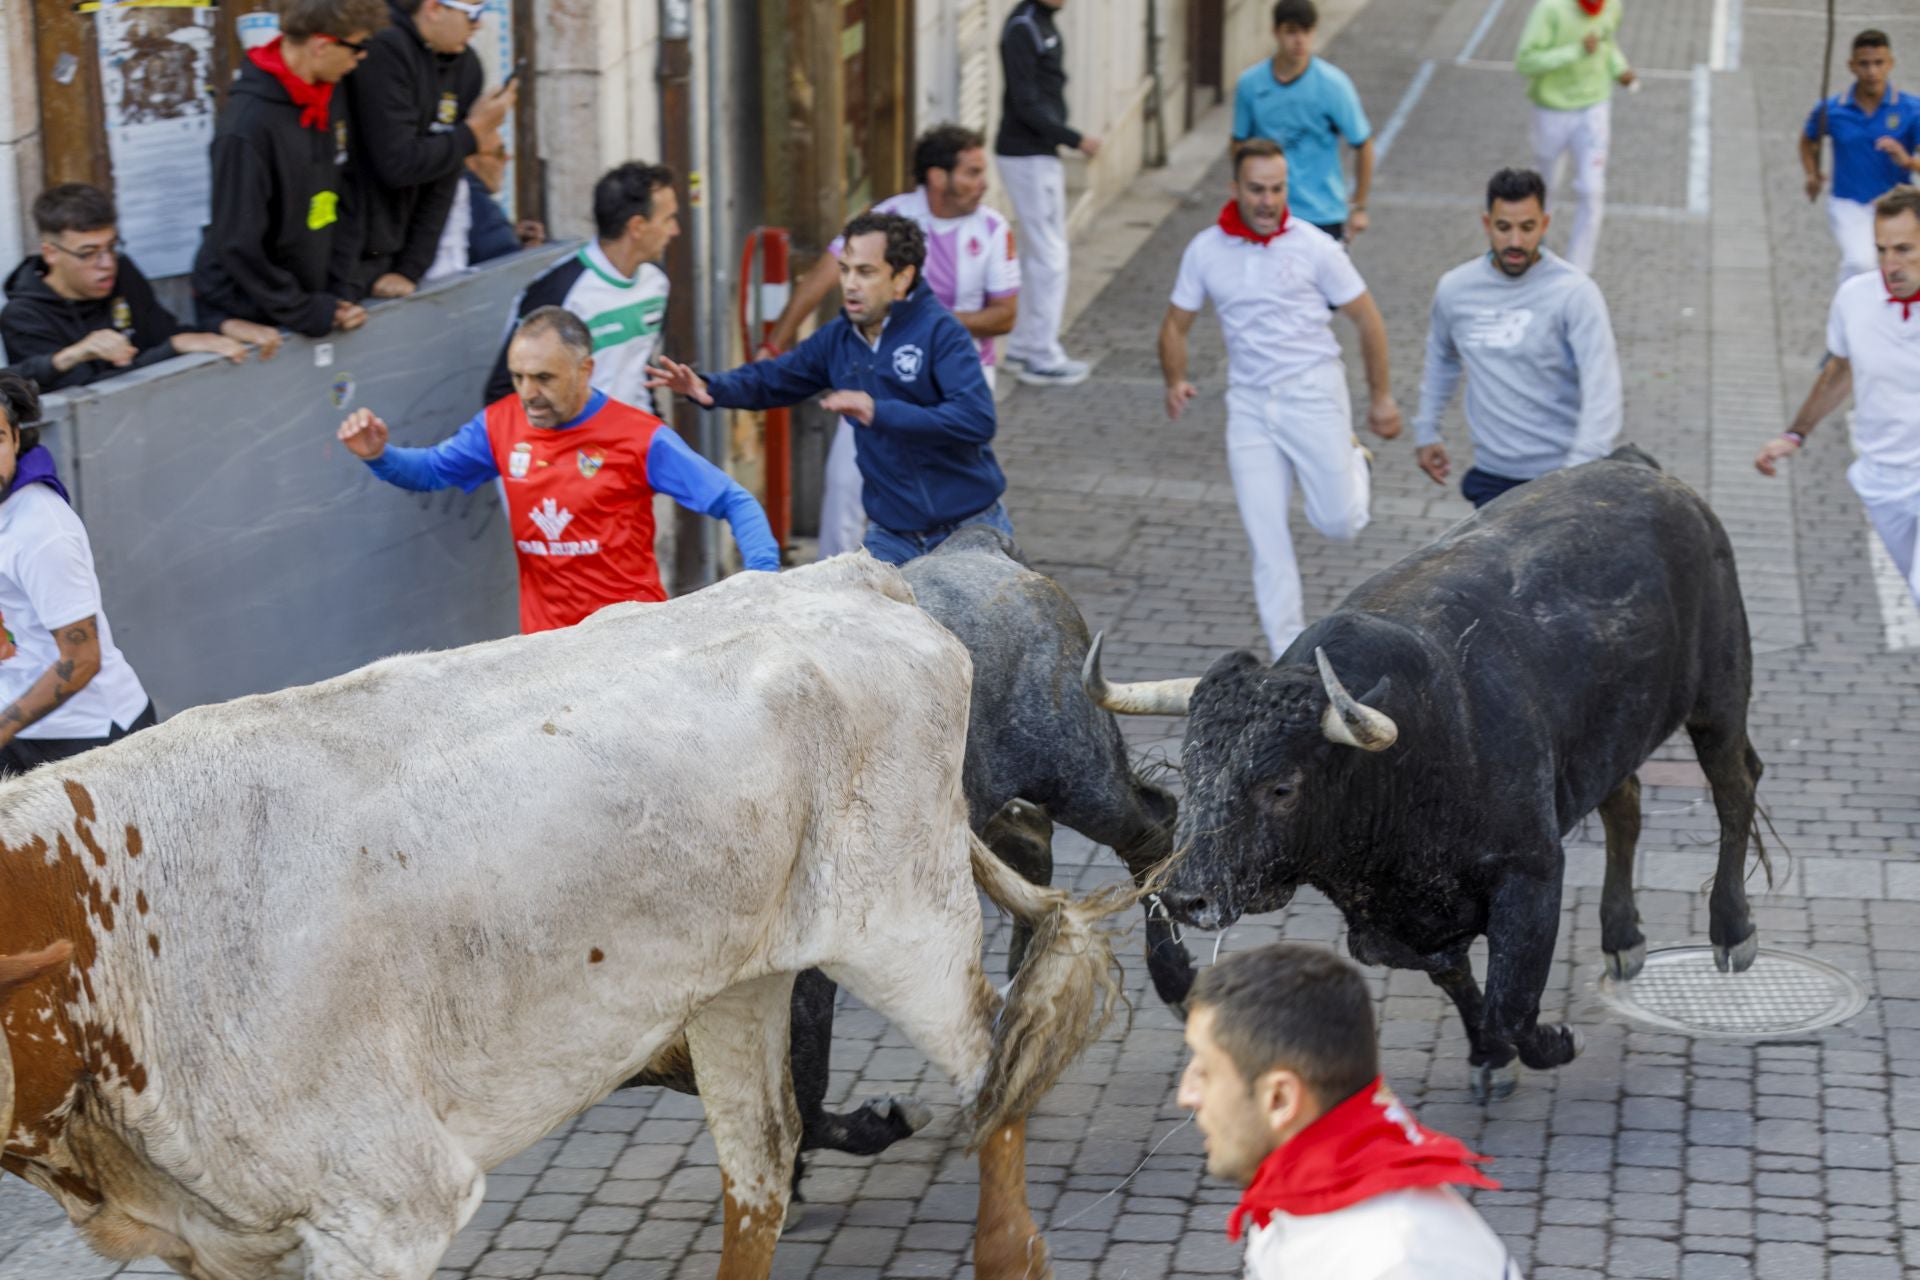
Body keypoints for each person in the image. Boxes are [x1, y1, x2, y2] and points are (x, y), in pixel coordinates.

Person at [341, 306, 777, 634]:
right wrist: (379, 454)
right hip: (544, 652)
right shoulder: (499, 423)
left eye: (544, 378)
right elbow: (432, 471)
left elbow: (734, 501)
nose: (528, 393)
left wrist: (764, 581)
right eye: (518, 377)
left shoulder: (640, 436)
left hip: (631, 643)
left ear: (585, 369)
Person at [647, 212, 1006, 566]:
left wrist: (878, 410)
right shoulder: (837, 338)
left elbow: (976, 420)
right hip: (894, 536)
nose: (849, 283)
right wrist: (711, 386)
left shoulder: (942, 333)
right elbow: (774, 379)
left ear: (902, 278)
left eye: (865, 272)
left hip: (969, 530)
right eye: (845, 269)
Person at [1159, 139, 1402, 658]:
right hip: (1249, 406)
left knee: (1338, 524)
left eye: (1277, 189)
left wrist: (1381, 399)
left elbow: (1368, 319)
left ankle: (1355, 460)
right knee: (1266, 538)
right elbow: (1176, 324)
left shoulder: (1315, 246)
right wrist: (1174, 378)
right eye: (1257, 190)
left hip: (1313, 392)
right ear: (1235, 189)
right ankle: (1288, 659)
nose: (1268, 201)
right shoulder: (1205, 249)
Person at [1179, 943, 1521, 1280]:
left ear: (1280, 1099)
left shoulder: (1394, 1262)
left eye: (1205, 1071)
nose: (1186, 1095)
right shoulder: (1304, 1184)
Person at [766, 123, 1019, 559]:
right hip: (877, 374)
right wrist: (776, 343)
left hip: (959, 379)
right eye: (972, 173)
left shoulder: (995, 230)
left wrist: (924, 328)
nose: (984, 184)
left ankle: (956, 579)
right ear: (939, 177)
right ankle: (834, 585)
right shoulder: (891, 217)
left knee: (940, 482)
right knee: (845, 479)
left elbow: (1005, 315)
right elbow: (825, 274)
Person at [1413, 168, 1622, 509]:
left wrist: (1578, 473)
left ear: (1545, 224)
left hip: (1560, 477)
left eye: (1527, 228)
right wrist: (1426, 430)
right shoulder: (1455, 288)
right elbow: (1441, 357)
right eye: (1503, 227)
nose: (1515, 242)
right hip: (1491, 478)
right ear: (1486, 224)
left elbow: (1603, 388)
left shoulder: (1575, 293)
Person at [1756, 187, 1920, 608]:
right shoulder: (1855, 299)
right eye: (1882, 250)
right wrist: (1795, 435)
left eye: (1904, 249)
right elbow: (1839, 371)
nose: (1890, 265)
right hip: (1882, 478)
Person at [191, 0, 388, 339]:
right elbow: (237, 243)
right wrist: (302, 309)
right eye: (359, 47)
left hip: (309, 297)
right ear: (322, 46)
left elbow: (346, 191)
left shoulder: (329, 93)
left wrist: (339, 290)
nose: (362, 58)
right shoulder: (246, 128)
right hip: (250, 310)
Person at [0, 372, 154, 774]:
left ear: (17, 438)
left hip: (88, 738)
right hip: (24, 723)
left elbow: (82, 660)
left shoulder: (40, 533)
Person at [3, 185, 282, 392]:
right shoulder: (24, 316)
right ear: (51, 253)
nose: (106, 264)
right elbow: (84, 397)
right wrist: (173, 348)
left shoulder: (122, 272)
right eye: (88, 253)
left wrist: (223, 327)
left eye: (112, 247)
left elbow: (163, 334)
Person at [331, 0, 516, 302]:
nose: (478, 24)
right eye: (472, 14)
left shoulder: (466, 65)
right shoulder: (383, 48)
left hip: (398, 248)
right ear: (433, 8)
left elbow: (445, 176)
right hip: (348, 244)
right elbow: (396, 162)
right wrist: (472, 133)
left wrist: (410, 268)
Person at [483, 163, 677, 409]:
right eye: (668, 219)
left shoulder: (656, 283)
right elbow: (503, 396)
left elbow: (639, 370)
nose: (674, 230)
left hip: (635, 442)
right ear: (637, 226)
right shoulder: (558, 292)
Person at [994, 0, 1099, 387]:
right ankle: (1042, 354)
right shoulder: (1023, 27)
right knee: (1051, 254)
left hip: (1039, 153)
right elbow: (1025, 102)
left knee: (1039, 252)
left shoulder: (1041, 24)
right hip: (1026, 155)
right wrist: (1075, 139)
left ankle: (1023, 346)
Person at [1232, 1, 1374, 243]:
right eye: (1291, 31)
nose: (1300, 40)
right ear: (1275, 31)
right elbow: (1238, 144)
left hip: (1322, 213)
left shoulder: (1333, 85)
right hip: (1270, 213)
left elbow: (1363, 144)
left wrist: (1359, 207)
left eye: (1306, 31)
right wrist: (1245, 195)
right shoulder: (1250, 84)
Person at [1514, 0, 1637, 274]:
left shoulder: (1612, 5)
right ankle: (1536, 252)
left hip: (1594, 108)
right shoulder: (1549, 10)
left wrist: (1619, 68)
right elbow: (1526, 62)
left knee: (1592, 191)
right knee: (1545, 186)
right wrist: (1575, 51)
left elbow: (1606, 41)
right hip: (1552, 110)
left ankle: (1578, 271)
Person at [1801, 30, 1920, 283]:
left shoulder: (1911, 110)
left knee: (1898, 267)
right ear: (1851, 66)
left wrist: (1907, 161)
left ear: (1891, 64)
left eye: (1879, 63)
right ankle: (1850, 311)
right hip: (1849, 203)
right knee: (1861, 262)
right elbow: (1808, 139)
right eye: (1864, 64)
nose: (1872, 71)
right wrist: (1812, 173)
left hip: (1897, 204)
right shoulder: (1832, 110)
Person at [423, 139, 547, 283]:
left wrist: (510, 235)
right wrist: (531, 255)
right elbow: (513, 274)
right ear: (470, 159)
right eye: (499, 153)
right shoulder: (475, 202)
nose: (507, 158)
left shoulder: (440, 191)